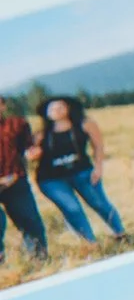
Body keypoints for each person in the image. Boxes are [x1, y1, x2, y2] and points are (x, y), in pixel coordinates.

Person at [35, 97, 125, 244]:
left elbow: (98, 146)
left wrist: (98, 168)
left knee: (99, 203)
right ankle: (90, 243)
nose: (56, 111)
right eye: (51, 109)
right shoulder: (41, 134)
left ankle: (120, 233)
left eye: (60, 107)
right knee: (72, 208)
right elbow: (31, 154)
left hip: (82, 171)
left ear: (68, 108)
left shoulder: (85, 124)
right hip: (52, 179)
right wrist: (32, 154)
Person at [0, 107, 45, 265]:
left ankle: (39, 260)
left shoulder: (17, 124)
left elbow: (27, 147)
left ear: (3, 105)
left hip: (15, 181)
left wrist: (32, 152)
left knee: (29, 221)